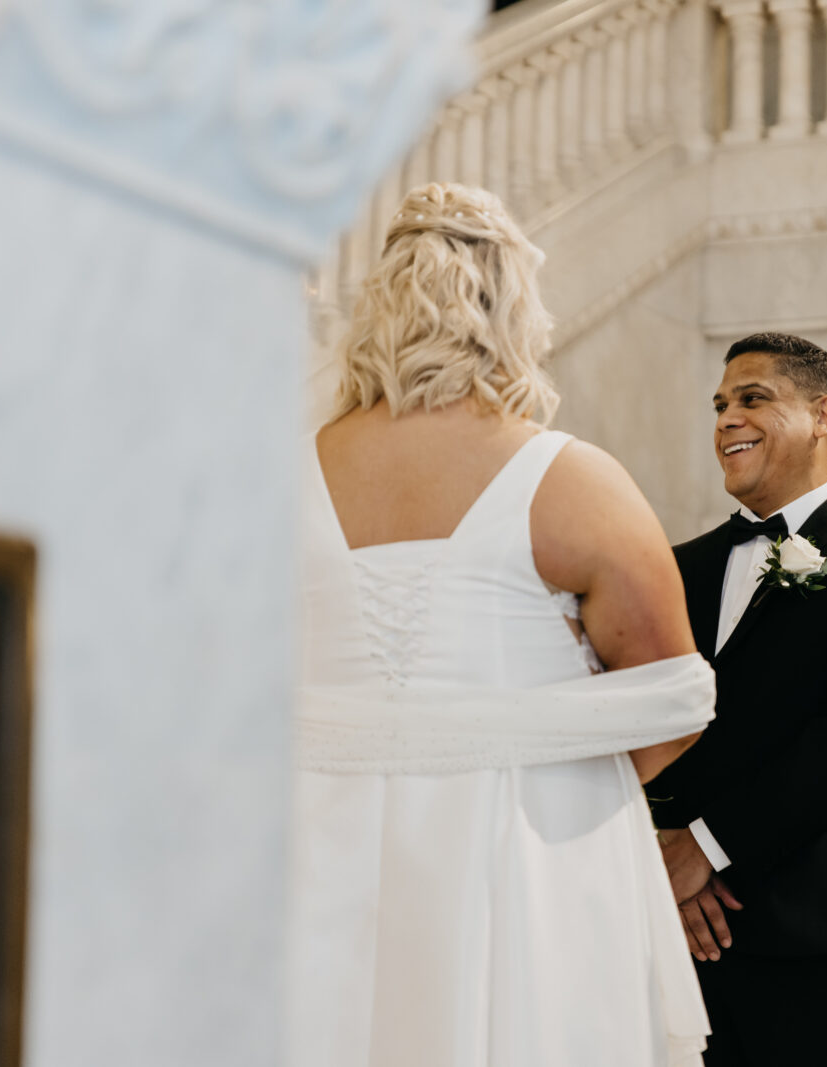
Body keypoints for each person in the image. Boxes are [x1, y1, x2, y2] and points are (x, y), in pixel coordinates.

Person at [289, 182, 714, 1067]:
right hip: (526, 861)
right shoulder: (573, 481)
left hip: (316, 846)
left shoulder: (284, 477)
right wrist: (537, 760)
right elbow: (674, 696)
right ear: (515, 313)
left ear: (378, 313)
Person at [645, 333, 827, 1066]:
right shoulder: (672, 566)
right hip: (674, 921)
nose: (726, 419)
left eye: (752, 398)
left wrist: (703, 848)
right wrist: (662, 856)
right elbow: (645, 718)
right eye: (719, 405)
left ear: (824, 414)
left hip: (817, 926)